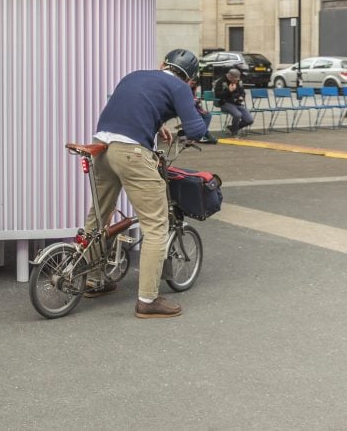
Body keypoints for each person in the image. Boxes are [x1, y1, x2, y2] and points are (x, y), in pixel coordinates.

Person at [84, 49, 207, 318]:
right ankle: (148, 300)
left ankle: (92, 278)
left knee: (99, 215)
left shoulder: (135, 75)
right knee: (156, 225)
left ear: (163, 63)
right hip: (131, 153)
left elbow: (137, 106)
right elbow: (197, 129)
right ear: (189, 79)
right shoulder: (181, 87)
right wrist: (194, 109)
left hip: (101, 146)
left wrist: (157, 123)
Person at [213, 68, 253, 137]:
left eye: (238, 79)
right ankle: (234, 133)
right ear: (230, 77)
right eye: (235, 79)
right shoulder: (220, 82)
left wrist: (242, 97)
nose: (237, 81)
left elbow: (242, 92)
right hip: (225, 103)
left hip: (237, 103)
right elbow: (218, 96)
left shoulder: (238, 82)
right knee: (237, 115)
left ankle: (232, 128)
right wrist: (229, 91)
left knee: (249, 120)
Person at [188, 77, 218, 144]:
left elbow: (195, 103)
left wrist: (202, 110)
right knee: (202, 117)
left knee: (207, 115)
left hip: (194, 109)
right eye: (191, 82)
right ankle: (202, 135)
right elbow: (187, 102)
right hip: (186, 109)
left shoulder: (193, 89)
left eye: (194, 83)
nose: (192, 84)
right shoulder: (183, 88)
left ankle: (200, 135)